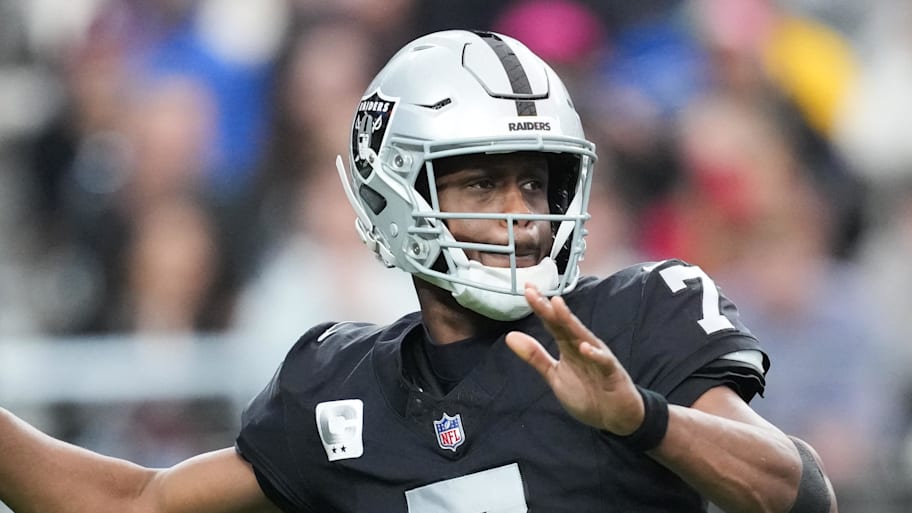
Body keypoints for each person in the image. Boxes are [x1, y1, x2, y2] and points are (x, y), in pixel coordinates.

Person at [0, 30, 835, 513]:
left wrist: (643, 419)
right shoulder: (337, 391)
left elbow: (798, 490)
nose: (519, 213)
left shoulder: (636, 318)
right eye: (480, 183)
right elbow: (132, 502)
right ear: (393, 193)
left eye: (535, 183)